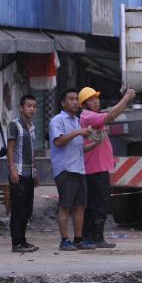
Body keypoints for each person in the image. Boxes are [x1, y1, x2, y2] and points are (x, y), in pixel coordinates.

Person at [78, 85, 136, 249]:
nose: (96, 102)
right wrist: (126, 98)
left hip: (98, 168)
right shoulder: (88, 116)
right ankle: (92, 237)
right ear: (84, 104)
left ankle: (95, 237)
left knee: (99, 203)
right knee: (97, 203)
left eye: (96, 99)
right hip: (94, 169)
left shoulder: (91, 116)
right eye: (91, 100)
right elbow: (111, 116)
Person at [49, 88, 93, 251]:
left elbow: (79, 148)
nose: (75, 102)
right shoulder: (57, 120)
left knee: (80, 206)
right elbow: (59, 142)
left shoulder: (76, 121)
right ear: (63, 102)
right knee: (65, 206)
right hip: (65, 169)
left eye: (76, 99)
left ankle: (78, 239)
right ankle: (64, 240)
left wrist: (95, 143)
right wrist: (78, 132)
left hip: (79, 169)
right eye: (71, 99)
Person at [6, 94, 39, 253]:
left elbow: (32, 151)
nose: (32, 109)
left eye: (34, 106)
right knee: (18, 210)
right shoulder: (14, 125)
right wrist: (12, 169)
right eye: (28, 106)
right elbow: (10, 148)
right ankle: (16, 243)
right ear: (21, 108)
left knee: (27, 210)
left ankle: (23, 241)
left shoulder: (32, 127)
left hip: (29, 174)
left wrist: (35, 170)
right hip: (18, 173)